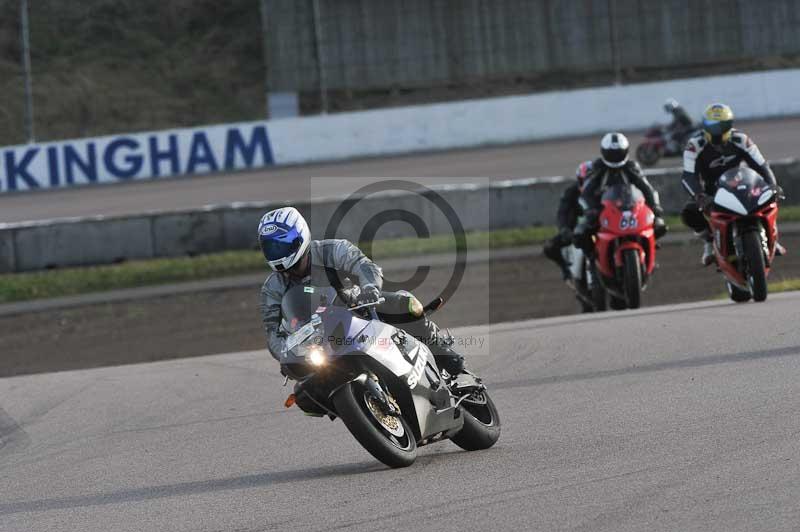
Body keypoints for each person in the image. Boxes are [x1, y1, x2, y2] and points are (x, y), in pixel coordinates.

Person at [257, 206, 465, 378]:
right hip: (318, 342)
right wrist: (284, 353)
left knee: (405, 303)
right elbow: (272, 332)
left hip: (357, 310)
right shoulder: (272, 288)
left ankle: (442, 352)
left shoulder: (331, 250)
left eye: (281, 244)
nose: (277, 252)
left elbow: (364, 265)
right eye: (271, 247)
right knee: (303, 393)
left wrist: (370, 288)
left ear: (299, 237)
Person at [680, 103, 783, 265]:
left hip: (742, 185)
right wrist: (700, 196)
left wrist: (772, 185)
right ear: (704, 126)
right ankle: (709, 242)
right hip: (712, 192)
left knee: (770, 199)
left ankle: (772, 235)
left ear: (730, 125)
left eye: (721, 126)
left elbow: (762, 166)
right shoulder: (694, 145)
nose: (716, 132)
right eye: (712, 127)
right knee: (689, 212)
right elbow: (688, 176)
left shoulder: (741, 139)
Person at [573, 132, 667, 251]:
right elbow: (587, 192)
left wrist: (655, 208)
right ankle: (592, 258)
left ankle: (649, 247)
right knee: (580, 234)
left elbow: (647, 188)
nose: (615, 156)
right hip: (602, 210)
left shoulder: (631, 167)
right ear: (604, 152)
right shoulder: (598, 167)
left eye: (618, 153)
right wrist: (592, 210)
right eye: (611, 153)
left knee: (659, 226)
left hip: (629, 207)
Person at [543, 160, 594, 279]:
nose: (588, 185)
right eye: (585, 181)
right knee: (549, 247)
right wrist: (564, 229)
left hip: (599, 228)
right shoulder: (571, 192)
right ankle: (565, 269)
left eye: (592, 182)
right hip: (576, 230)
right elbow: (562, 212)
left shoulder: (605, 191)